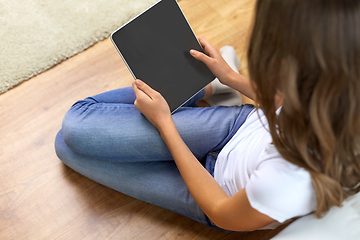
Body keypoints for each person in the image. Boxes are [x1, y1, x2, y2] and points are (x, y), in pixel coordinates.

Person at [55, 0, 360, 232]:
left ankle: (201, 91)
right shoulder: (344, 86)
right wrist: (231, 78)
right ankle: (212, 89)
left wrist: (165, 125)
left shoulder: (290, 178)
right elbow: (285, 100)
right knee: (77, 126)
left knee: (67, 141)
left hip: (216, 191)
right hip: (239, 125)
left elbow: (222, 212)